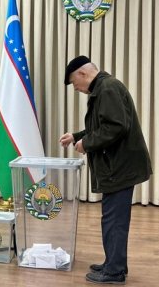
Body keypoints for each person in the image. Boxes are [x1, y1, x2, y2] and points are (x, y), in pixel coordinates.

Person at [59, 56, 152, 285]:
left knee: (114, 220)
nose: (77, 89)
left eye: (74, 83)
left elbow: (115, 127)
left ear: (82, 74)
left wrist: (87, 143)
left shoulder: (107, 88)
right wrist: (78, 136)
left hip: (120, 167)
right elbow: (102, 125)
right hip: (118, 167)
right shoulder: (104, 87)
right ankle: (114, 262)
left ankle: (114, 272)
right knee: (113, 218)